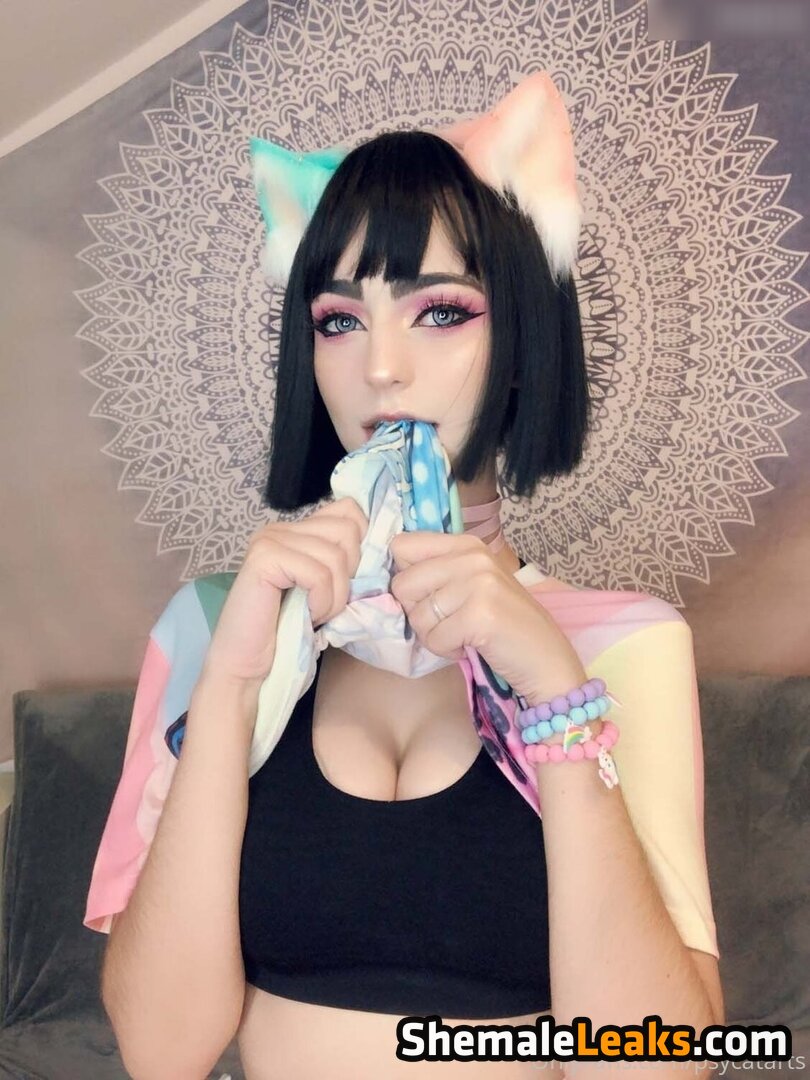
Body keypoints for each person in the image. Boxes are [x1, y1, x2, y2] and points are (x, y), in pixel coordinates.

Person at [88, 74, 724, 1080]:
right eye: (339, 321)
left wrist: (555, 693)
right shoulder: (208, 625)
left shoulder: (626, 642)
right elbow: (162, 1052)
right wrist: (233, 687)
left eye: (440, 311)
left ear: (522, 341)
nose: (379, 367)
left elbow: (657, 1062)